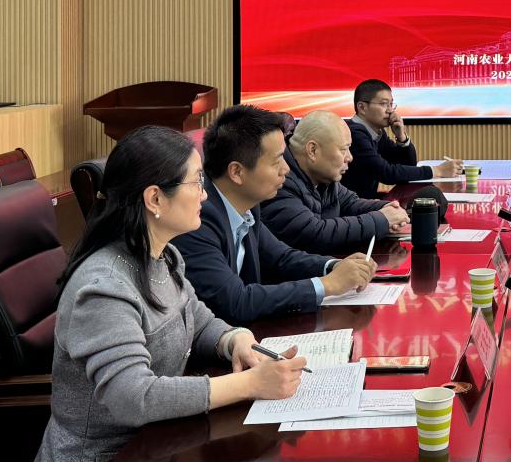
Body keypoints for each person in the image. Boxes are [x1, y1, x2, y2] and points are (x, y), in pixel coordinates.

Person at [25, 125, 306, 462]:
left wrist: (233, 339)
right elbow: (133, 397)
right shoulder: (104, 286)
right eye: (197, 182)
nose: (205, 195)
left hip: (158, 453)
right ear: (155, 198)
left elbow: (196, 318)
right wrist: (250, 384)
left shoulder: (164, 256)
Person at [175, 104, 376, 326]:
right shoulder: (197, 219)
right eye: (277, 160)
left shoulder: (247, 204)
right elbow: (236, 301)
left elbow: (282, 258)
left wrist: (333, 266)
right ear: (237, 172)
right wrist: (327, 285)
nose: (286, 169)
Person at [260, 109, 410, 253]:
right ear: (312, 150)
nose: (350, 157)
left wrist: (387, 208)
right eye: (344, 149)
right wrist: (381, 219)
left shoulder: (322, 176)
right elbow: (313, 234)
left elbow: (350, 203)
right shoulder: (279, 180)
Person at [343, 79, 462, 198]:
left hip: (362, 201)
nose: (390, 110)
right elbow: (387, 173)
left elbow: (408, 166)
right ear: (362, 107)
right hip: (350, 206)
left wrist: (402, 137)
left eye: (391, 104)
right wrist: (438, 171)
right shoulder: (354, 134)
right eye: (384, 104)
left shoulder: (377, 133)